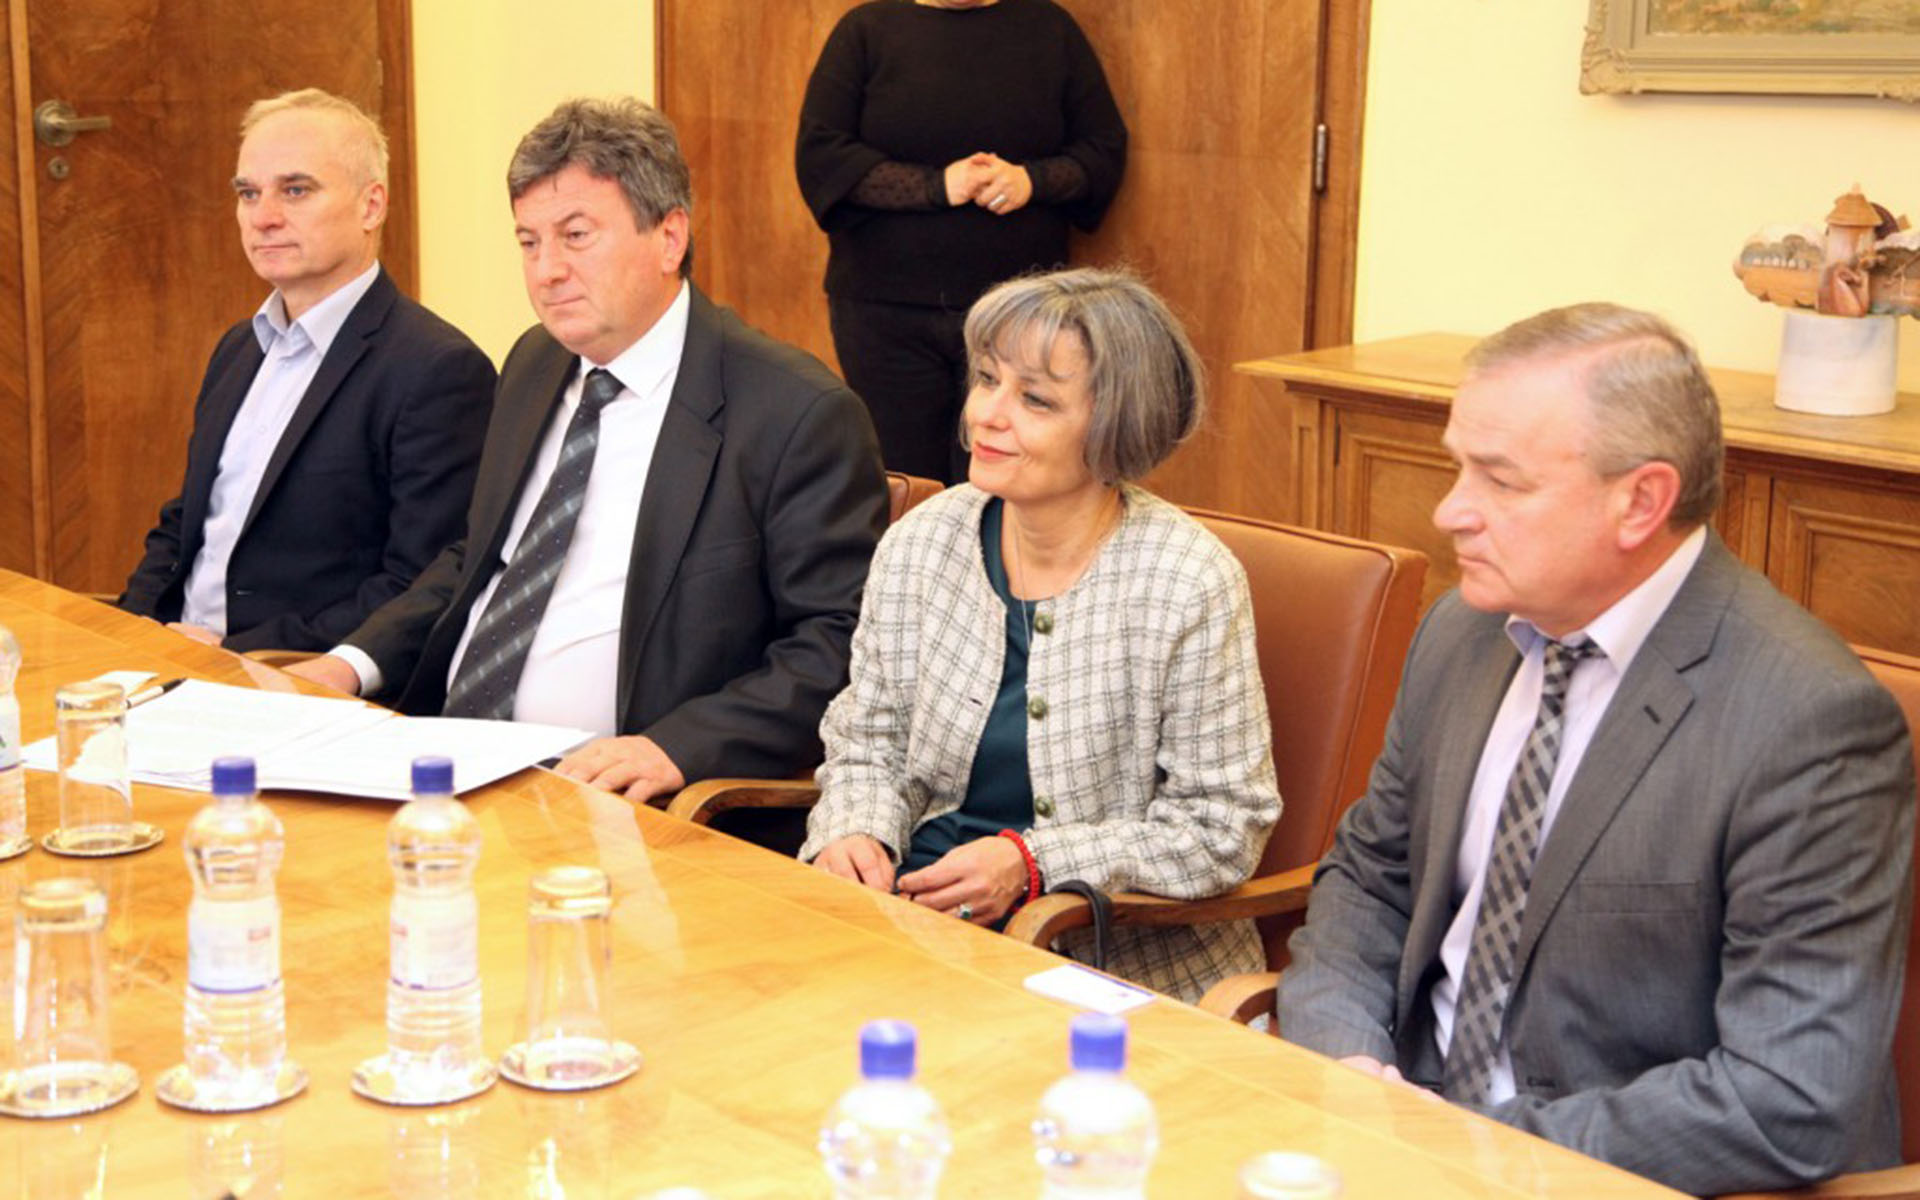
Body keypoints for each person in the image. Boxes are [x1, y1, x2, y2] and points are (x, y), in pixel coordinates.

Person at [1277, 303, 1915, 1195]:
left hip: (1614, 1171)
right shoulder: (1462, 632)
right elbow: (1370, 877)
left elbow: (1789, 1097)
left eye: (1500, 480)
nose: (1450, 510)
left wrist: (1467, 1146)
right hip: (1395, 1126)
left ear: (1641, 501)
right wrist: (1347, 1066)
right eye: (1458, 466)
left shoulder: (1807, 721)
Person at [289, 97, 888, 805]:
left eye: (576, 236)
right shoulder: (535, 362)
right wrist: (352, 663)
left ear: (669, 238)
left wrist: (676, 748)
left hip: (626, 798)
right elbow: (481, 558)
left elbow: (836, 641)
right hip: (448, 755)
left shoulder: (794, 412)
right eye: (528, 242)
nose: (547, 270)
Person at [800, 268, 1279, 1002]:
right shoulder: (924, 539)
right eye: (987, 379)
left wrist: (1036, 862)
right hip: (913, 929)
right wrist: (855, 831)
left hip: (1107, 968)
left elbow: (1222, 828)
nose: (987, 415)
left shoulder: (1188, 580)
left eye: (1035, 400)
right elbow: (869, 740)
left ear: (1115, 425)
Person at [118, 89, 495, 652]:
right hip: (168, 661)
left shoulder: (438, 369)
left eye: (295, 190)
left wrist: (230, 657)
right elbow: (184, 526)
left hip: (293, 675)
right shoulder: (238, 348)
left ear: (371, 206)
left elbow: (416, 587)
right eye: (249, 193)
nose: (264, 217)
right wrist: (125, 632)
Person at [795, 0, 1126, 484]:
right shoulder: (866, 30)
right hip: (886, 315)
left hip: (1019, 317)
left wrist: (1030, 181)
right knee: (904, 482)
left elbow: (1103, 151)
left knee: (1003, 482)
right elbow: (821, 156)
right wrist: (938, 186)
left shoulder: (1049, 28)